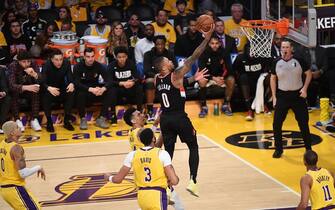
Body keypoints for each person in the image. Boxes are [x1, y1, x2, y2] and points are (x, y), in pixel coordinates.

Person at [154, 23, 214, 196]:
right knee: (193, 147)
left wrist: (192, 79)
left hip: (166, 119)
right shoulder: (176, 74)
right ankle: (193, 181)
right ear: (164, 67)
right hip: (179, 117)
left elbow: (175, 89)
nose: (171, 61)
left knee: (168, 154)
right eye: (168, 61)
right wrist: (206, 39)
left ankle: (166, 185)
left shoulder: (157, 79)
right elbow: (194, 56)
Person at [105, 128, 179, 210]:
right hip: (157, 195)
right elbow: (174, 181)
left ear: (141, 140)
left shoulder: (132, 155)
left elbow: (118, 179)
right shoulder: (162, 153)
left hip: (142, 196)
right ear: (153, 139)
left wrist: (109, 177)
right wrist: (174, 179)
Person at [270, 39, 312, 158]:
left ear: (291, 49)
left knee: (303, 123)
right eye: (283, 47)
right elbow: (272, 78)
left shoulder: (299, 60)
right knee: (277, 124)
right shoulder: (276, 62)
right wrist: (274, 97)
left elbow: (309, 74)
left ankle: (308, 148)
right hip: (282, 96)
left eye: (287, 47)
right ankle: (279, 149)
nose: (284, 50)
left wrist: (304, 89)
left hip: (297, 96)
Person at [0, 121, 46, 210]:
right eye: (17, 127)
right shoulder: (16, 148)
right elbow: (23, 173)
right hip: (14, 188)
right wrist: (38, 167)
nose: (20, 128)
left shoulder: (2, 144)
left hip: (5, 190)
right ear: (12, 133)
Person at [73, 48, 112, 130]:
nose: (90, 59)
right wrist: (90, 89)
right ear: (84, 57)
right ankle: (83, 119)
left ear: (95, 56)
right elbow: (77, 83)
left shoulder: (99, 66)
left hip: (96, 91)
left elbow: (109, 80)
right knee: (80, 93)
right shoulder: (78, 67)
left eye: (92, 56)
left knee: (110, 91)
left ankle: (101, 118)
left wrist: (103, 89)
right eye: (88, 56)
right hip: (84, 91)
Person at [198, 36, 235, 118]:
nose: (214, 45)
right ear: (209, 44)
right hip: (209, 77)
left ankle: (226, 105)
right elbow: (202, 70)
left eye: (216, 43)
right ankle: (204, 107)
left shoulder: (224, 52)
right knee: (201, 79)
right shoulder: (204, 53)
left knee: (231, 79)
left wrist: (222, 77)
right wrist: (213, 78)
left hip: (221, 77)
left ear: (220, 44)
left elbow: (229, 68)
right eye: (212, 43)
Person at [144, 35, 178, 121]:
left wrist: (165, 75)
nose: (160, 46)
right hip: (154, 77)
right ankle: (150, 110)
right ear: (154, 44)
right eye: (158, 44)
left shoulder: (170, 53)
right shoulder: (148, 54)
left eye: (162, 44)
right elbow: (147, 70)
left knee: (176, 81)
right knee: (149, 82)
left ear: (165, 44)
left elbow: (174, 67)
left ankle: (174, 108)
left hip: (168, 76)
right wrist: (158, 76)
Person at [107, 46, 143, 125]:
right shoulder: (111, 66)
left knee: (139, 88)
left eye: (123, 57)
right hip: (118, 89)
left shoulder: (131, 64)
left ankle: (139, 112)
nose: (122, 59)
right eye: (119, 57)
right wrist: (122, 83)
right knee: (111, 90)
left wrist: (132, 82)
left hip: (129, 88)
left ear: (126, 56)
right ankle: (113, 115)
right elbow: (109, 81)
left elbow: (138, 78)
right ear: (116, 57)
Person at [41, 49, 75, 132]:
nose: (59, 62)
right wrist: (49, 88)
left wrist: (71, 83)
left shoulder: (66, 63)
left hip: (61, 88)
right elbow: (42, 82)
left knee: (71, 92)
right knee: (45, 94)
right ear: (51, 59)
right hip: (50, 88)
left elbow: (70, 77)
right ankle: (49, 122)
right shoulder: (46, 65)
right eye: (56, 60)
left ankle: (66, 121)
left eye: (61, 59)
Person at [8, 51, 42, 132]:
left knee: (35, 90)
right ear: (18, 61)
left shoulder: (33, 64)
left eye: (28, 61)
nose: (27, 64)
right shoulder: (13, 66)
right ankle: (17, 119)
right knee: (14, 93)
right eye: (24, 62)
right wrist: (26, 87)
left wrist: (34, 74)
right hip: (18, 90)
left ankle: (34, 119)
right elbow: (11, 85)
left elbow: (42, 79)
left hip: (29, 89)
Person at [0, 68, 11, 134]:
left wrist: (4, 92)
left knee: (7, 99)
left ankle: (1, 125)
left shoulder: (1, 70)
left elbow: (4, 85)